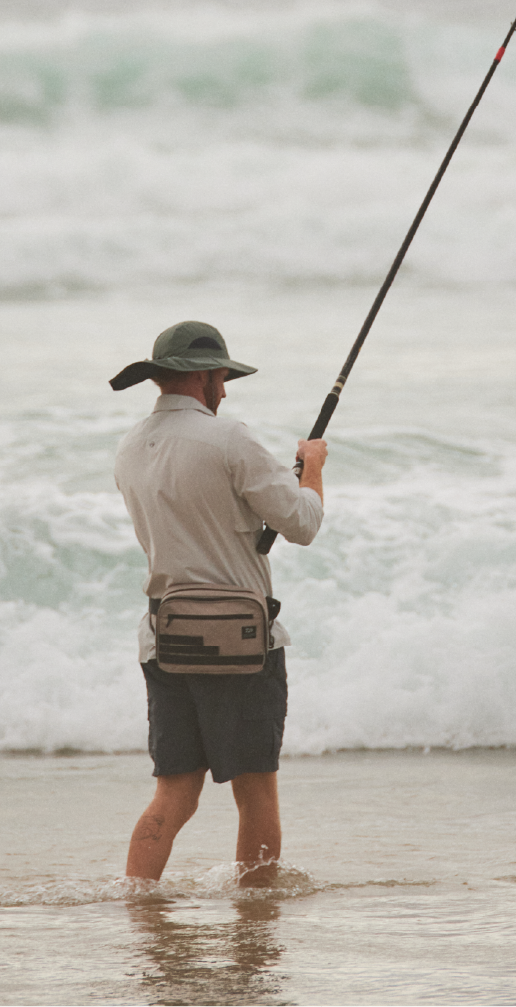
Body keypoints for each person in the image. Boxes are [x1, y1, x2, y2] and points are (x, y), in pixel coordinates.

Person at [111, 320, 326, 886]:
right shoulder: (231, 439)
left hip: (166, 638)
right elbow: (301, 524)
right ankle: (254, 920)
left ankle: (139, 906)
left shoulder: (131, 446)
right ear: (202, 376)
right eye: (223, 377)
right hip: (243, 646)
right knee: (255, 790)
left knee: (175, 793)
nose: (226, 390)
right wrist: (313, 471)